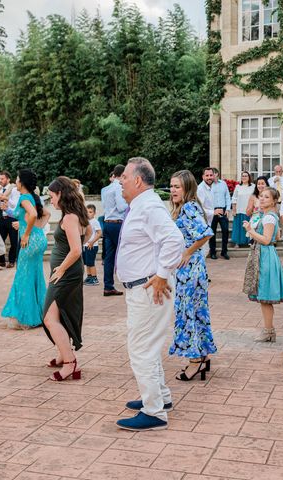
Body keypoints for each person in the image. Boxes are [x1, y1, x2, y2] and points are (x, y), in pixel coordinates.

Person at [116, 158, 184, 432]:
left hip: (148, 289)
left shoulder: (149, 206)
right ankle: (159, 398)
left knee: (141, 348)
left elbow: (174, 240)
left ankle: (153, 411)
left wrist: (162, 275)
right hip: (142, 288)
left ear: (137, 180)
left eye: (124, 176)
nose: (120, 180)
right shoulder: (141, 206)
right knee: (149, 347)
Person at [168, 170, 216, 381]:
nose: (173, 190)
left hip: (190, 270)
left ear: (187, 188)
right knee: (196, 312)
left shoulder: (188, 207)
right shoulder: (185, 207)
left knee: (187, 313)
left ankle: (195, 361)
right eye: (171, 186)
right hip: (192, 269)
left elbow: (205, 232)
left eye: (177, 186)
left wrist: (187, 252)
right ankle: (202, 356)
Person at [43, 176, 89, 381]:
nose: (50, 200)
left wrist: (61, 268)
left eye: (51, 196)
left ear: (60, 194)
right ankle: (63, 354)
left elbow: (77, 250)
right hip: (69, 272)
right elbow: (88, 233)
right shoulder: (74, 215)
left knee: (50, 318)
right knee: (60, 314)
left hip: (66, 273)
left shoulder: (70, 217)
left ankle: (70, 363)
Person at [1, 169, 50, 329]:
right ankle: (41, 315)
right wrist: (31, 227)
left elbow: (34, 214)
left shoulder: (24, 197)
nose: (15, 181)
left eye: (16, 178)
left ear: (21, 182)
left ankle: (26, 318)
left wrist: (27, 234)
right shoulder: (30, 197)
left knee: (23, 277)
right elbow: (45, 214)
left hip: (30, 242)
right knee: (34, 276)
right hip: (38, 239)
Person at [243, 187, 283, 342]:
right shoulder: (267, 216)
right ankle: (268, 330)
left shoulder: (269, 217)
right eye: (261, 196)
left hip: (265, 255)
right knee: (263, 295)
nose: (262, 199)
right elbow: (277, 235)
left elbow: (267, 239)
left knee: (265, 295)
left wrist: (250, 230)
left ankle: (269, 331)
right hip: (264, 254)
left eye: (266, 197)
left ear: (274, 201)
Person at [101, 164, 128, 296]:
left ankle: (108, 286)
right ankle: (129, 281)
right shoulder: (119, 187)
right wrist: (131, 202)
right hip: (117, 223)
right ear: (122, 174)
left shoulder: (105, 189)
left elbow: (105, 206)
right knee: (125, 253)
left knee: (109, 257)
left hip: (107, 223)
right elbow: (121, 206)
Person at [0, 171, 20, 268]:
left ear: (8, 179)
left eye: (2, 179)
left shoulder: (14, 190)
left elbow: (16, 203)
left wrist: (6, 199)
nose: (0, 181)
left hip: (12, 218)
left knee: (14, 241)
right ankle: (1, 261)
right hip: (1, 218)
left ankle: (11, 261)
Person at [209, 167, 231, 260]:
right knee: (212, 232)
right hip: (212, 211)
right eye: (210, 174)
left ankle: (224, 252)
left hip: (222, 210)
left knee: (225, 231)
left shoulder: (223, 184)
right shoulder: (208, 185)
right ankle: (213, 252)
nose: (211, 176)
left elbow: (227, 196)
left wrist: (228, 209)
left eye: (213, 174)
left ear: (217, 174)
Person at [231, 171, 253, 247]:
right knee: (239, 227)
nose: (244, 177)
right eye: (243, 176)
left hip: (249, 210)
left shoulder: (253, 186)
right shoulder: (238, 187)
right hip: (239, 210)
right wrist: (234, 209)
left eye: (246, 176)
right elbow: (234, 198)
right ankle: (237, 242)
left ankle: (250, 241)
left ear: (249, 177)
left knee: (249, 226)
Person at [83, 204, 102, 286]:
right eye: (86, 212)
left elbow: (99, 233)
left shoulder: (95, 222)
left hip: (92, 246)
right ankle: (89, 277)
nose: (88, 213)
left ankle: (94, 279)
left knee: (91, 263)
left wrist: (92, 242)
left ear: (94, 213)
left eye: (90, 212)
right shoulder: (85, 221)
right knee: (87, 263)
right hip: (85, 246)